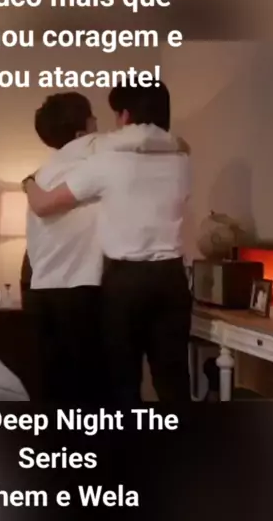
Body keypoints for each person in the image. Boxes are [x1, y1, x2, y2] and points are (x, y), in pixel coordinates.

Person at [24, 82, 192, 404]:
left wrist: (28, 182)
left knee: (121, 383)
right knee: (173, 381)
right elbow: (172, 143)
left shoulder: (104, 161)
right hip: (172, 277)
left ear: (125, 116)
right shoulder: (181, 159)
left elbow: (44, 205)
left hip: (121, 279)